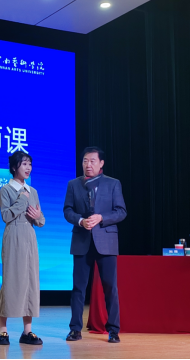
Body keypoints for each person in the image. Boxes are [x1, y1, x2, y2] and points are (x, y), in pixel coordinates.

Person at [63, 146, 127, 343]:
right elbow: (67, 210)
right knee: (78, 287)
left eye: (92, 161)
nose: (88, 164)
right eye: (85, 161)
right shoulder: (73, 184)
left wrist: (101, 217)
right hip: (82, 240)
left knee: (110, 287)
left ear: (101, 163)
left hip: (106, 241)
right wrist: (81, 221)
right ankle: (75, 329)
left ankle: (113, 330)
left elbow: (121, 211)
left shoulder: (113, 184)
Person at [0, 151, 45, 346]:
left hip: (29, 237)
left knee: (30, 281)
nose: (28, 168)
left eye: (30, 164)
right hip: (13, 236)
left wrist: (37, 217)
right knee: (10, 281)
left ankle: (27, 331)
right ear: (14, 167)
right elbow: (6, 216)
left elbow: (41, 220)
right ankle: (3, 330)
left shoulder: (33, 191)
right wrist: (22, 200)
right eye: (24, 164)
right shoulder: (6, 190)